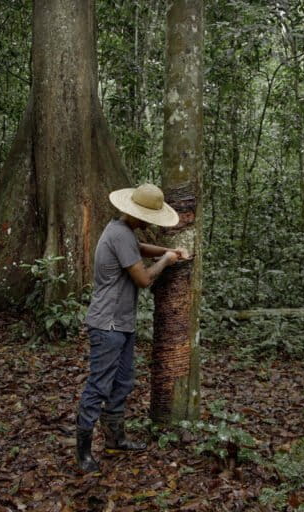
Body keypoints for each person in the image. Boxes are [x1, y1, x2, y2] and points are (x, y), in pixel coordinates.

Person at [75, 183, 189, 473]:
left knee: (123, 381)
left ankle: (115, 439)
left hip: (121, 323)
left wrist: (167, 250)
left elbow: (139, 248)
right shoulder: (119, 234)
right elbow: (143, 279)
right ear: (137, 215)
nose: (150, 222)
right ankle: (83, 452)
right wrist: (165, 260)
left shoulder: (122, 231)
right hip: (108, 323)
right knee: (99, 386)